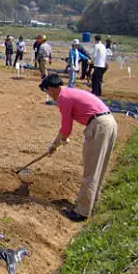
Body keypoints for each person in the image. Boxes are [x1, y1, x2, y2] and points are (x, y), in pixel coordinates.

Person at [41, 74, 118, 224]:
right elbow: (67, 130)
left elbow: (66, 129)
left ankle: (81, 212)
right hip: (109, 123)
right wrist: (61, 140)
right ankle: (91, 204)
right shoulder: (69, 92)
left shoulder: (64, 98)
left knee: (91, 170)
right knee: (98, 169)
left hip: (99, 126)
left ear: (51, 88)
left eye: (47, 91)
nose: (48, 95)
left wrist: (55, 144)